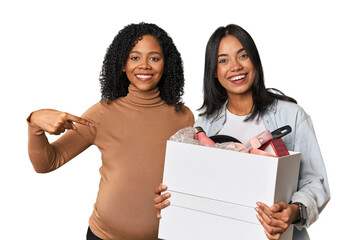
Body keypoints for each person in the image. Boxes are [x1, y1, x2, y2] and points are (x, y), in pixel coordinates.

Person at [154, 24, 330, 240]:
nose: (235, 66)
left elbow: (315, 181)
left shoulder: (291, 116)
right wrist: (173, 200)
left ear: (254, 61)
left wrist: (294, 211)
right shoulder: (204, 126)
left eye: (243, 55)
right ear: (214, 72)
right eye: (223, 60)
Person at [27, 22, 194, 240]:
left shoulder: (184, 117)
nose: (144, 65)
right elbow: (47, 163)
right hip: (103, 236)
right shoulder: (102, 114)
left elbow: (189, 182)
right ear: (122, 64)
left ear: (166, 64)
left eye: (154, 58)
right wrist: (34, 123)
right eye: (134, 57)